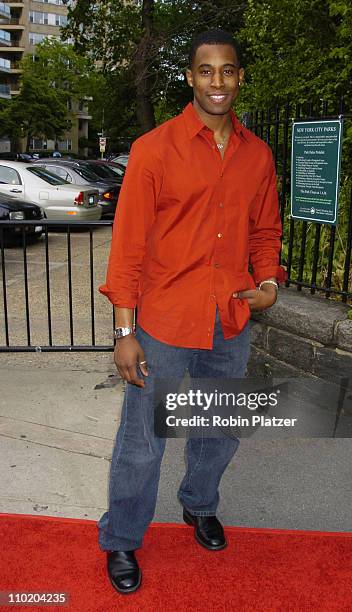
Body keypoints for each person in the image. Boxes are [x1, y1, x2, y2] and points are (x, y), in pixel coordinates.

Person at [97, 28, 286, 595]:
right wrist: (124, 330)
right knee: (142, 439)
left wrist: (269, 281)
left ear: (240, 77)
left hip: (230, 316)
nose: (218, 82)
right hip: (165, 319)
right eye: (206, 71)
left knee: (217, 429)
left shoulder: (257, 155)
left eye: (228, 70)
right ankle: (124, 538)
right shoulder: (155, 148)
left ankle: (199, 505)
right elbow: (128, 245)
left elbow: (266, 230)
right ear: (190, 77)